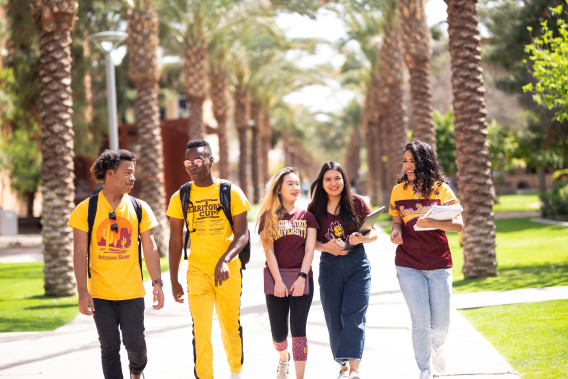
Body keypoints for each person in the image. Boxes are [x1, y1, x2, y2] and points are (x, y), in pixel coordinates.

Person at [68, 149, 164, 379]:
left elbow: (150, 248)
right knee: (109, 348)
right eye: (127, 172)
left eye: (133, 172)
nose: (132, 177)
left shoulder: (139, 208)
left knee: (136, 345)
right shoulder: (86, 209)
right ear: (109, 173)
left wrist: (157, 283)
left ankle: (136, 371)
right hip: (101, 293)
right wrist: (82, 291)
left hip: (131, 292)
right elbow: (80, 253)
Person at [167, 139, 251, 379]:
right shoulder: (180, 197)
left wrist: (225, 260)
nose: (192, 166)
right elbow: (175, 242)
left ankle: (235, 371)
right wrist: (173, 280)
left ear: (211, 160)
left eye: (198, 160)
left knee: (229, 327)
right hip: (198, 273)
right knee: (201, 331)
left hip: (228, 272)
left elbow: (242, 234)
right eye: (188, 162)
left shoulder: (230, 192)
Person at [389, 141, 464, 379]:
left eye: (413, 161)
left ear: (425, 162)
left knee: (441, 324)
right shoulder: (398, 190)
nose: (409, 166)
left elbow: (459, 225)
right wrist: (396, 232)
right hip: (408, 263)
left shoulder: (442, 189)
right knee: (419, 320)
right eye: (405, 161)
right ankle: (424, 369)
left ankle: (437, 345)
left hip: (439, 263)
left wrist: (432, 223)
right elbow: (396, 222)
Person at [308, 162, 378, 379]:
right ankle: (343, 365)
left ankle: (355, 370)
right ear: (321, 183)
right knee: (333, 316)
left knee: (354, 315)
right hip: (329, 266)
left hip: (357, 265)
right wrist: (325, 247)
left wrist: (362, 238)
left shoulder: (355, 202)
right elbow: (310, 243)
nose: (333, 183)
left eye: (337, 178)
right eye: (328, 179)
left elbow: (374, 233)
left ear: (344, 180)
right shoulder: (314, 209)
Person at [256, 167, 319, 379]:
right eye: (289, 184)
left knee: (299, 331)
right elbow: (269, 251)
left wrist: (302, 278)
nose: (295, 187)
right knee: (279, 335)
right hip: (276, 282)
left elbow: (310, 250)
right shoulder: (268, 217)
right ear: (279, 189)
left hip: (303, 281)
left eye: (297, 183)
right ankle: (284, 359)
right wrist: (279, 281)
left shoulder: (307, 217)